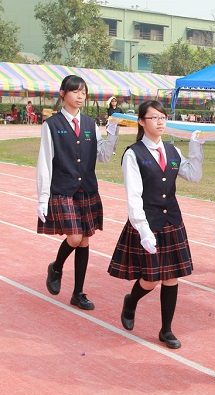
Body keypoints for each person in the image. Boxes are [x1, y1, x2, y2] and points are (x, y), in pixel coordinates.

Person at [107, 100, 204, 349]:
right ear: (141, 121)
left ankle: (166, 330)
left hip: (172, 221)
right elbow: (133, 196)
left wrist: (196, 148)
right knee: (150, 280)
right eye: (154, 118)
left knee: (171, 278)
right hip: (147, 222)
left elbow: (193, 176)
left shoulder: (172, 151)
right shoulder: (133, 153)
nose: (160, 122)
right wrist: (142, 229)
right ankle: (131, 300)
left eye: (163, 117)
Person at [37, 75, 118, 310]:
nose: (80, 96)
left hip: (87, 189)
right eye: (75, 91)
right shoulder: (51, 125)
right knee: (73, 237)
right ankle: (57, 267)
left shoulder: (91, 124)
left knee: (84, 240)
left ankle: (78, 293)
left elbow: (102, 156)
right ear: (63, 94)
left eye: (83, 91)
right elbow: (45, 162)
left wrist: (112, 132)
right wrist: (43, 197)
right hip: (63, 189)